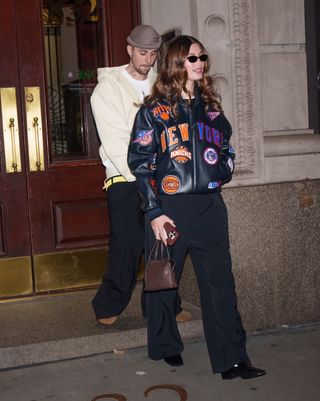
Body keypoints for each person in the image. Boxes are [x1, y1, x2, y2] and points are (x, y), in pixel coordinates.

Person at [128, 35, 266, 379]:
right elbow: (140, 163)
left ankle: (233, 358)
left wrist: (221, 171)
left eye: (202, 56)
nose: (200, 62)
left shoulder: (212, 108)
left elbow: (226, 149)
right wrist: (154, 212)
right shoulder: (154, 111)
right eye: (193, 57)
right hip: (168, 209)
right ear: (177, 63)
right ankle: (165, 345)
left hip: (209, 208)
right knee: (163, 282)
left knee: (220, 283)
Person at [90, 25, 191, 325]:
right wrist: (146, 178)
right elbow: (116, 142)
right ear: (129, 49)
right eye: (142, 52)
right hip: (125, 178)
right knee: (129, 242)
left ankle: (163, 306)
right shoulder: (107, 89)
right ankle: (107, 305)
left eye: (152, 54)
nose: (147, 60)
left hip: (163, 178)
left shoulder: (162, 84)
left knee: (163, 243)